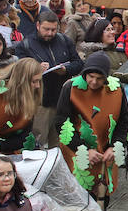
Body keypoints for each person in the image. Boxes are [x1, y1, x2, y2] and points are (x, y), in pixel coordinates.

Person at [55, 53, 128, 207]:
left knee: (102, 199)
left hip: (105, 152)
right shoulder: (70, 88)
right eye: (90, 76)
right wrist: (82, 149)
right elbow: (61, 123)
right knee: (79, 201)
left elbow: (124, 120)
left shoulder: (117, 89)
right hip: (78, 153)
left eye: (99, 78)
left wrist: (116, 144)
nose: (94, 82)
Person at [14, 10, 84, 147]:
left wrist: (65, 70)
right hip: (39, 102)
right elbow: (19, 70)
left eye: (53, 29)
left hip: (62, 100)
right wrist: (35, 68)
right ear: (38, 25)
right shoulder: (26, 44)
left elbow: (78, 63)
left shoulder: (64, 40)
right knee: (37, 142)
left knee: (59, 144)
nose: (50, 33)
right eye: (46, 29)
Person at [0, 58, 44, 153]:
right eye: (34, 81)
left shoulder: (31, 98)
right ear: (21, 80)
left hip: (13, 149)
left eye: (39, 81)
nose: (38, 86)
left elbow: (24, 137)